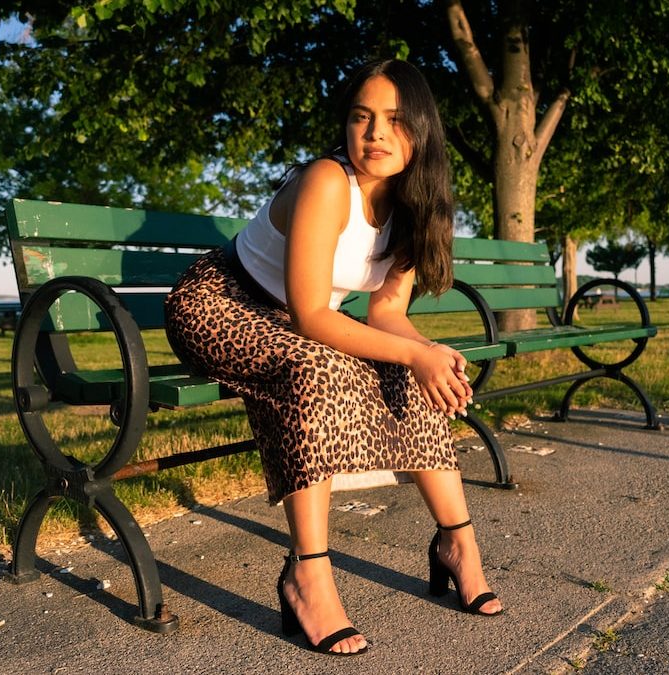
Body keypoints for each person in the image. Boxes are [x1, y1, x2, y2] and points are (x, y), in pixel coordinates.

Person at [164, 59, 502, 656]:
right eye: (361, 117)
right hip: (216, 303)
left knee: (407, 370)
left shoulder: (418, 210)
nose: (374, 134)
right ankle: (308, 573)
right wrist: (411, 354)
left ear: (421, 132)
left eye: (394, 121)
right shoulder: (326, 179)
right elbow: (312, 319)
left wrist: (430, 353)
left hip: (286, 320)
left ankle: (457, 542)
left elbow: (386, 316)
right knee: (311, 367)